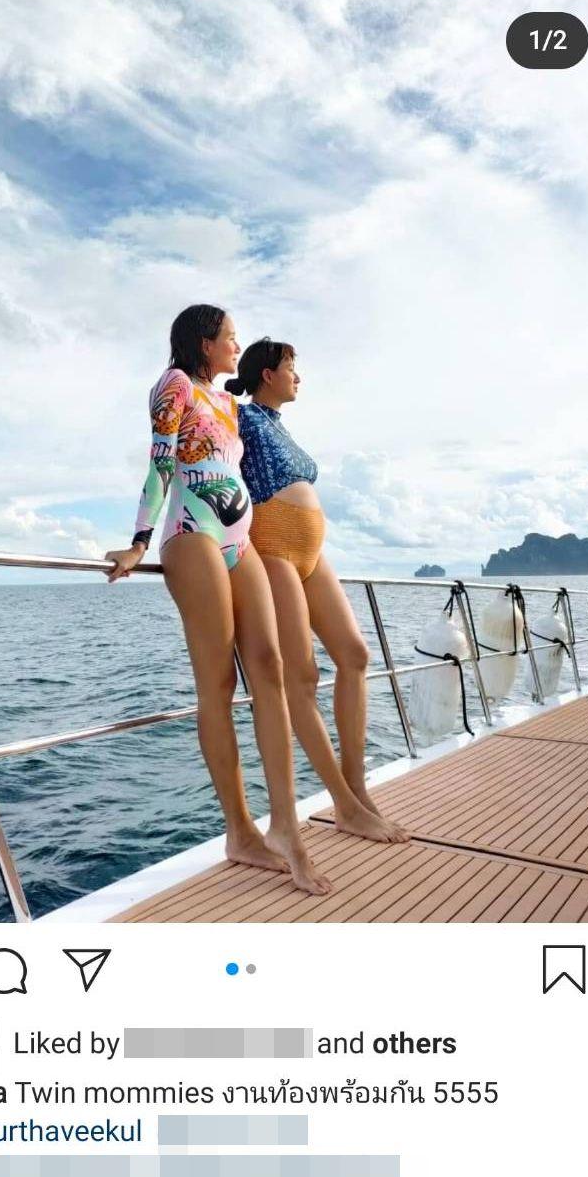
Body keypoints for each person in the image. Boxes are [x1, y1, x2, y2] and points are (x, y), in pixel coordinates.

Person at [105, 306, 331, 895]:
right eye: (230, 337)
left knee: (271, 668)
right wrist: (138, 543)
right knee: (219, 684)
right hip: (192, 534)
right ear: (205, 342)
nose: (237, 345)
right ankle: (240, 830)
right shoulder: (174, 384)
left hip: (239, 542)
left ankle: (286, 828)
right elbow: (160, 463)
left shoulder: (229, 403)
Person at [227, 338, 409, 844]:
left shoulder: (279, 425)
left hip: (310, 552)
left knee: (355, 655)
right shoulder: (241, 416)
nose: (298, 377)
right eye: (291, 368)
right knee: (302, 677)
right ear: (268, 374)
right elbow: (200, 449)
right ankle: (344, 805)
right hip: (273, 548)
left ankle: (356, 786)